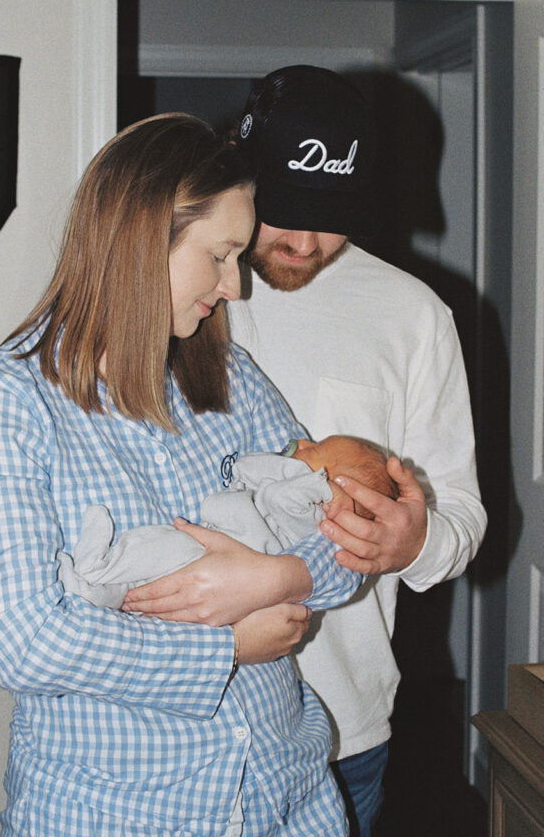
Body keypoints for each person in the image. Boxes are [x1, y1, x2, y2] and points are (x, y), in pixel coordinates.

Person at [0, 112, 371, 837]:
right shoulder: (5, 405)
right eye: (220, 255)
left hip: (289, 802)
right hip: (115, 816)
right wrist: (226, 647)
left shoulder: (230, 376)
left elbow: (340, 531)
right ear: (142, 239)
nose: (235, 286)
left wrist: (278, 578)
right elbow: (24, 641)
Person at [228, 66, 488, 837]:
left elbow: (462, 513)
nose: (304, 242)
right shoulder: (173, 289)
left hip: (342, 725)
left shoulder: (412, 315)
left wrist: (416, 542)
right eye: (284, 211)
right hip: (178, 713)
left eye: (330, 216)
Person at [59, 434, 399, 609]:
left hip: (211, 556)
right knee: (150, 561)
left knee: (153, 549)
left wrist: (319, 486)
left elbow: (276, 497)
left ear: (336, 488)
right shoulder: (304, 505)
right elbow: (248, 469)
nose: (304, 441)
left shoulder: (311, 515)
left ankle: (94, 572)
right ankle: (102, 591)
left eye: (317, 448)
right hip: (214, 549)